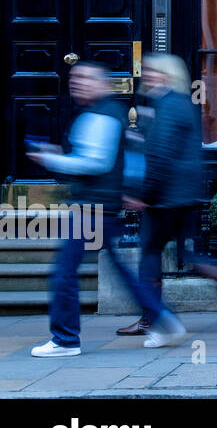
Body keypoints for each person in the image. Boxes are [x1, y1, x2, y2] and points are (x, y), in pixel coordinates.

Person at [28, 61, 186, 356]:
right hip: (104, 205)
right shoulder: (111, 114)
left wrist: (52, 160)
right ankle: (164, 320)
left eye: (86, 78)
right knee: (121, 272)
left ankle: (65, 340)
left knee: (63, 272)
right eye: (75, 78)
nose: (77, 83)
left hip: (92, 207)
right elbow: (133, 156)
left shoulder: (100, 115)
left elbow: (95, 163)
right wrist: (131, 190)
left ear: (101, 83)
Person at [120, 54, 217, 335]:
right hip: (184, 193)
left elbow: (160, 154)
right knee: (189, 254)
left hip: (166, 195)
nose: (148, 76)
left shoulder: (166, 105)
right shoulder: (178, 103)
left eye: (154, 72)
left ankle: (151, 317)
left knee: (151, 251)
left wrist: (143, 193)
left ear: (167, 76)